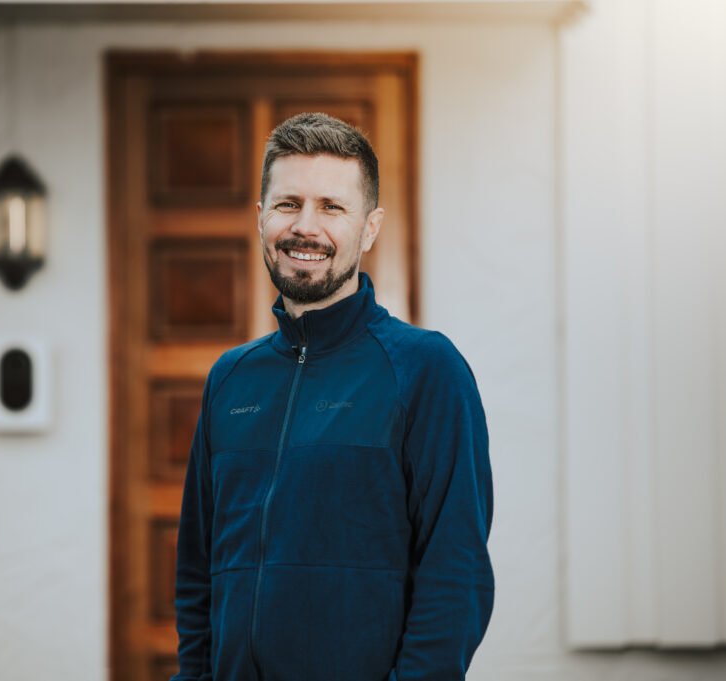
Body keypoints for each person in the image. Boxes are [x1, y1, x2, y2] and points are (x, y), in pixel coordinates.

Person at [172, 112, 493, 681]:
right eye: (289, 204)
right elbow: (199, 570)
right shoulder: (230, 379)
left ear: (369, 228)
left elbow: (455, 572)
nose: (306, 227)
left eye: (332, 207)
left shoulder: (425, 370)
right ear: (261, 217)